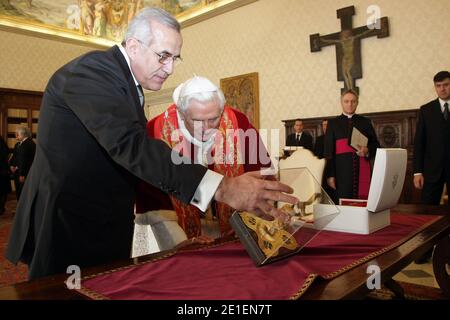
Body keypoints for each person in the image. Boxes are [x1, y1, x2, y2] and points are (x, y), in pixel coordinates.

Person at [6, 8, 296, 280]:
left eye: (175, 58)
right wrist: (223, 187)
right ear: (133, 46)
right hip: (67, 226)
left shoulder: (125, 81)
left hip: (102, 223)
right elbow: (132, 147)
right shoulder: (91, 73)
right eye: (163, 56)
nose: (169, 68)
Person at [135, 76, 271, 244]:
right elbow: (155, 204)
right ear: (182, 113)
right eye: (197, 121)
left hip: (237, 230)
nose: (206, 128)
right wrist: (180, 244)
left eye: (213, 119)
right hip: (182, 232)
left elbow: (259, 180)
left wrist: (248, 227)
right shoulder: (155, 130)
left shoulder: (238, 122)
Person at [413, 71, 450, 263]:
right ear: (435, 87)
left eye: (445, 84)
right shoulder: (426, 110)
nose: (442, 89)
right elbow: (419, 143)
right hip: (431, 170)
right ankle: (424, 251)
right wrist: (417, 171)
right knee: (426, 213)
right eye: (438, 86)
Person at [324, 89, 380, 203]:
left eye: (353, 101)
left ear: (357, 103)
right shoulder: (333, 123)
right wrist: (330, 175)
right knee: (343, 204)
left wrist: (367, 149)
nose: (350, 104)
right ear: (341, 102)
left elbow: (376, 145)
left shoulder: (365, 122)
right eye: (346, 101)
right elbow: (328, 152)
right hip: (341, 172)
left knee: (363, 204)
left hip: (362, 169)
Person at [8, 126, 36, 200]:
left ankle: (22, 210)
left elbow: (25, 160)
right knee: (19, 192)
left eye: (17, 134)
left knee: (23, 193)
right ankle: (19, 209)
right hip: (17, 172)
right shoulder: (18, 144)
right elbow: (14, 156)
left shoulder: (29, 144)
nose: (16, 136)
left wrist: (22, 174)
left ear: (23, 134)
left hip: (24, 173)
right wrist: (11, 165)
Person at [0, 135, 11, 215]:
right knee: (3, 191)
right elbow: (7, 154)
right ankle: (1, 208)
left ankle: (1, 208)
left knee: (2, 191)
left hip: (2, 171)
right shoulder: (3, 144)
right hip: (4, 170)